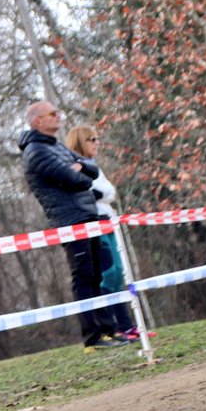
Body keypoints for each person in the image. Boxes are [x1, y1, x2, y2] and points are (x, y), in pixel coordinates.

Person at [18, 101, 125, 352]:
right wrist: (80, 171)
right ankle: (92, 337)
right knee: (84, 275)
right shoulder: (36, 151)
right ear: (37, 121)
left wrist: (82, 168)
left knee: (98, 273)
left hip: (89, 216)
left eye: (58, 112)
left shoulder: (57, 146)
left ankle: (108, 330)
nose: (59, 116)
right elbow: (74, 179)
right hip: (69, 219)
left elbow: (91, 168)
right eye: (52, 114)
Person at [66, 125, 140, 341]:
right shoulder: (76, 168)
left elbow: (109, 192)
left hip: (109, 220)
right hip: (95, 221)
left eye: (98, 138)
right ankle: (114, 326)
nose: (97, 142)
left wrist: (103, 194)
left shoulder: (94, 166)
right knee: (107, 275)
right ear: (80, 142)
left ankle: (126, 325)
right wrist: (102, 194)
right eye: (92, 139)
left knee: (118, 272)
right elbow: (93, 193)